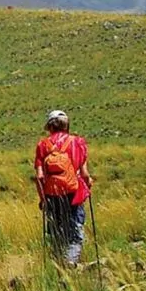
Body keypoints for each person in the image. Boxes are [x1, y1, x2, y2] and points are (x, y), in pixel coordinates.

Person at [34, 110, 93, 266]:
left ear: (49, 127)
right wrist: (88, 184)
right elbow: (85, 174)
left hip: (52, 196)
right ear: (67, 125)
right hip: (74, 195)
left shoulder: (42, 145)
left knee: (55, 234)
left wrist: (43, 200)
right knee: (75, 235)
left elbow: (39, 177)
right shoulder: (77, 142)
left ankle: (57, 266)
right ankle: (70, 264)